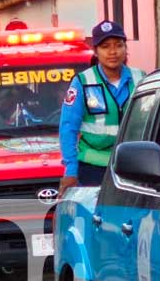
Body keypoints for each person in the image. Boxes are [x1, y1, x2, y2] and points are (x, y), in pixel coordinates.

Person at [58, 20, 145, 195]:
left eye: (118, 45)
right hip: (93, 168)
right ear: (95, 51)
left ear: (125, 48)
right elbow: (68, 128)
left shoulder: (140, 78)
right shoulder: (83, 82)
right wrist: (71, 171)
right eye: (106, 46)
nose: (113, 52)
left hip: (134, 167)